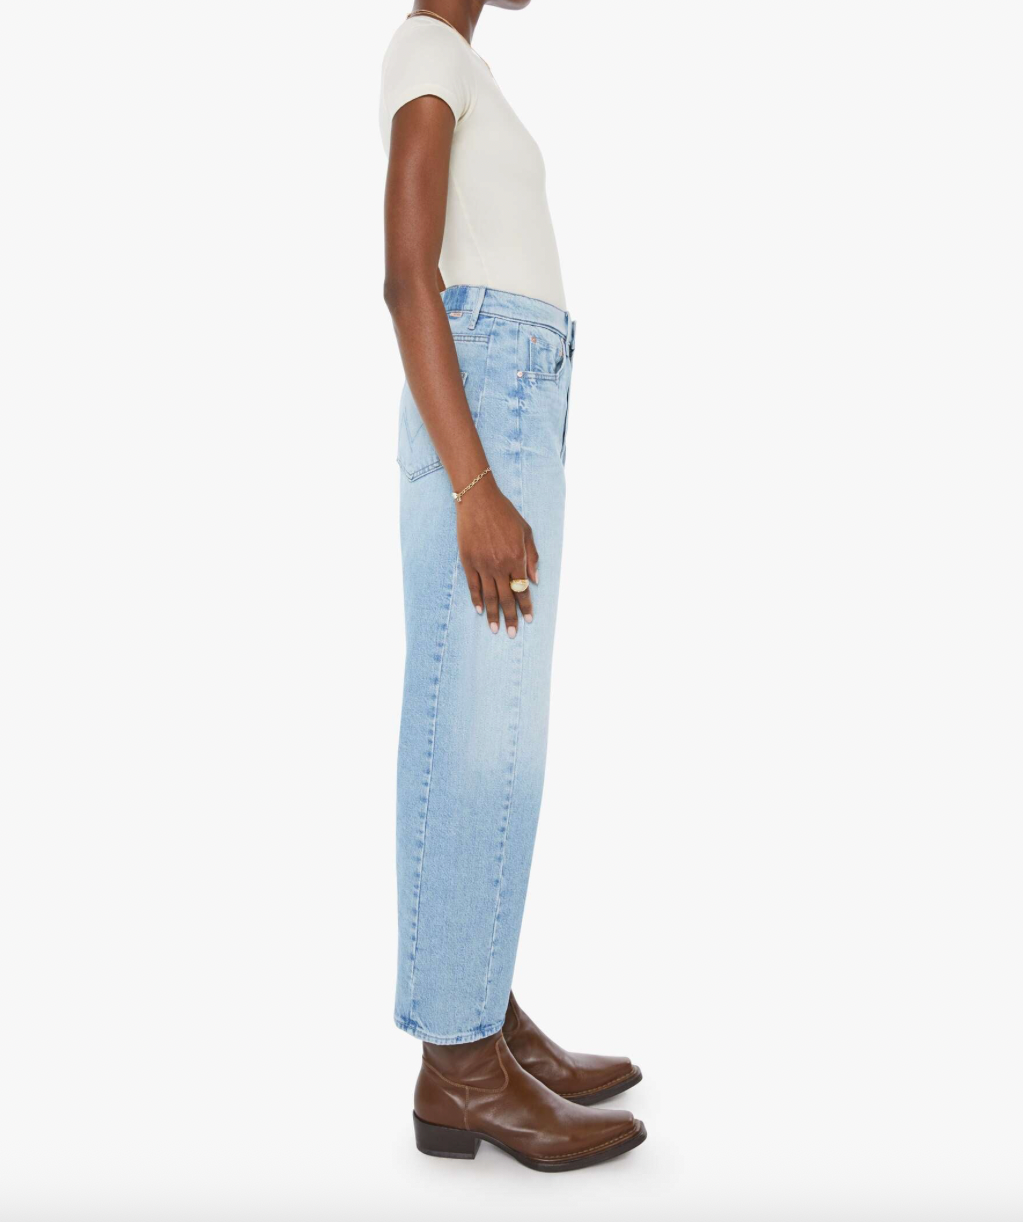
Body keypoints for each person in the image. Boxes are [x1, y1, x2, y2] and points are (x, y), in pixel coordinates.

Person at [380, 2, 646, 1171]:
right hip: (487, 398)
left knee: (496, 728)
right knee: (479, 735)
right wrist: (476, 483)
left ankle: (478, 1007)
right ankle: (459, 1062)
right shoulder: (427, 49)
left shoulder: (459, 64)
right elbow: (407, 279)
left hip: (512, 385)